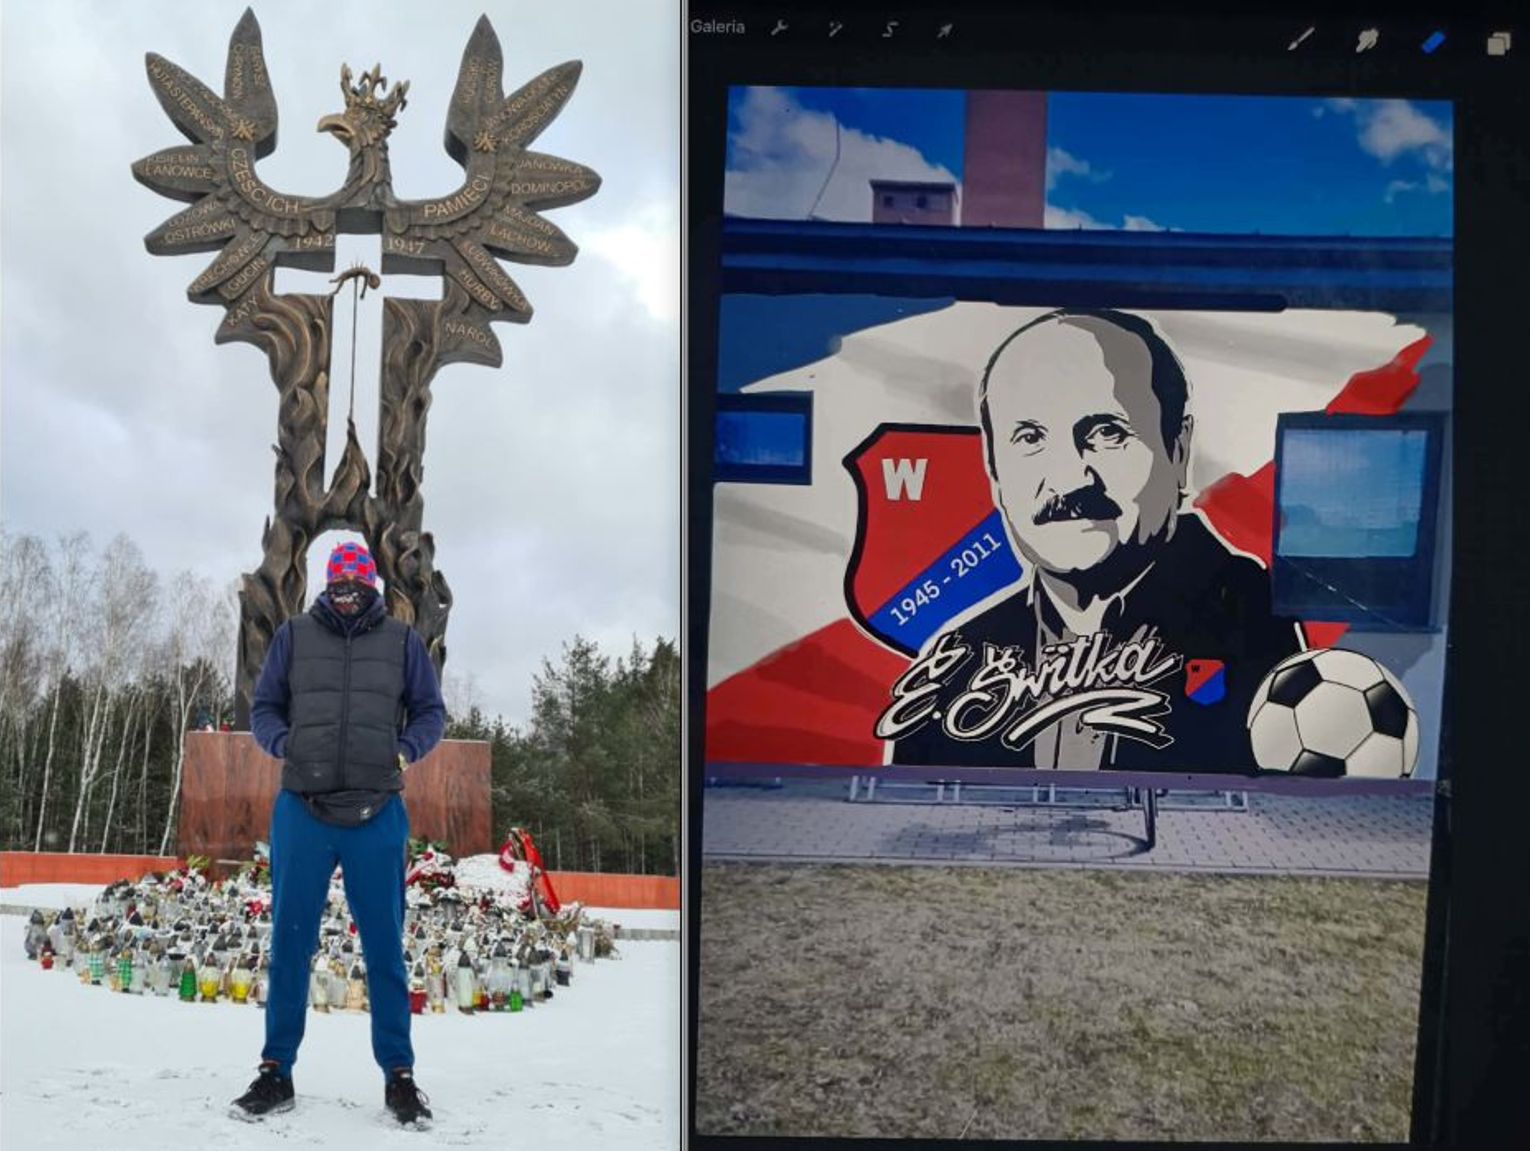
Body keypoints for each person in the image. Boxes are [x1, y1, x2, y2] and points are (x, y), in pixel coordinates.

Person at [890, 309, 1301, 772]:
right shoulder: (957, 666)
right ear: (994, 467)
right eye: (1029, 437)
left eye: (1107, 432)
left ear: (1179, 450)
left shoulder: (1247, 619)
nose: (1069, 479)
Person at [234, 541, 445, 1125]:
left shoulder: (402, 641)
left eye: (358, 584)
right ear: (327, 587)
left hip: (377, 812)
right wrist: (287, 744)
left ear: (372, 585)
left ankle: (399, 1077)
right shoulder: (294, 636)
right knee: (290, 945)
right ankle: (276, 1070)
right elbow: (264, 708)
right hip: (302, 811)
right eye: (339, 584)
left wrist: (405, 751)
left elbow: (431, 712)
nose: (348, 593)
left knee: (384, 949)